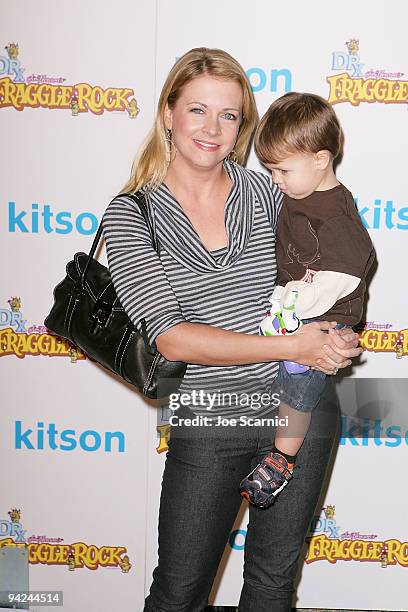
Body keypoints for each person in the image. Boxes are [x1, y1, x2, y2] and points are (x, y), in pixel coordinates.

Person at [102, 48, 362, 612]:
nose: (212, 129)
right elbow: (171, 336)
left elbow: (331, 268)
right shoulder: (131, 214)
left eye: (229, 116)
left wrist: (334, 336)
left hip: (300, 416)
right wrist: (293, 345)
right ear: (168, 113)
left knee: (271, 589)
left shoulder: (268, 191)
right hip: (209, 423)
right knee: (179, 594)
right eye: (198, 110)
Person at [240, 93, 375, 509]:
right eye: (270, 170)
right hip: (294, 307)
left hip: (326, 317)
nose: (275, 180)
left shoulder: (334, 215)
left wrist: (297, 304)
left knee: (300, 377)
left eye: (282, 170)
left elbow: (351, 269)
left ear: (320, 159)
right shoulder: (295, 195)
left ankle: (283, 458)